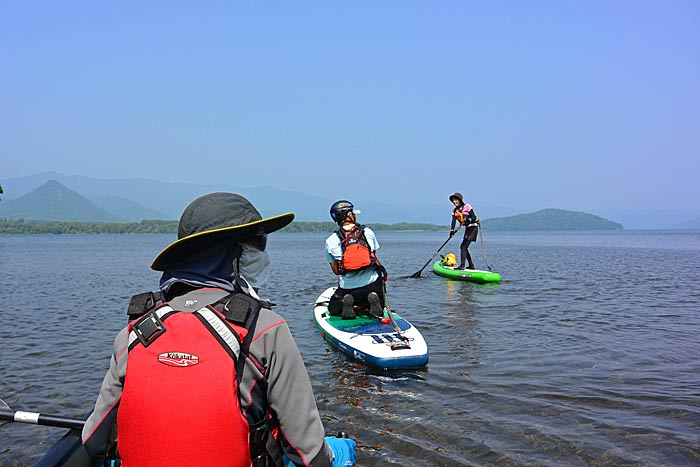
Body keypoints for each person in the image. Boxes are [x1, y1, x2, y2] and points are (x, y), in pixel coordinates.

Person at [82, 192, 356, 467]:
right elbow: (309, 455)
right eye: (257, 241)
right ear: (228, 253)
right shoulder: (266, 329)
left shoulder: (136, 332)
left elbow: (93, 440)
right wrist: (338, 452)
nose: (263, 252)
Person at [325, 200, 386, 320]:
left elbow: (337, 271)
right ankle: (370, 300)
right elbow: (372, 257)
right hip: (372, 285)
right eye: (353, 212)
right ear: (349, 215)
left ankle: (347, 302)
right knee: (380, 303)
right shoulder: (368, 232)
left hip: (348, 288)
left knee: (333, 309)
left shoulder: (331, 240)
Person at [449, 192, 480, 270]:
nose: (454, 202)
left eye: (456, 200)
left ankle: (462, 266)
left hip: (473, 228)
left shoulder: (467, 206)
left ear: (460, 200)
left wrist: (468, 220)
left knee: (463, 247)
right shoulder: (454, 211)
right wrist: (452, 231)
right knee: (464, 247)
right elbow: (453, 221)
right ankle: (471, 266)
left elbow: (474, 217)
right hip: (468, 229)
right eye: (453, 200)